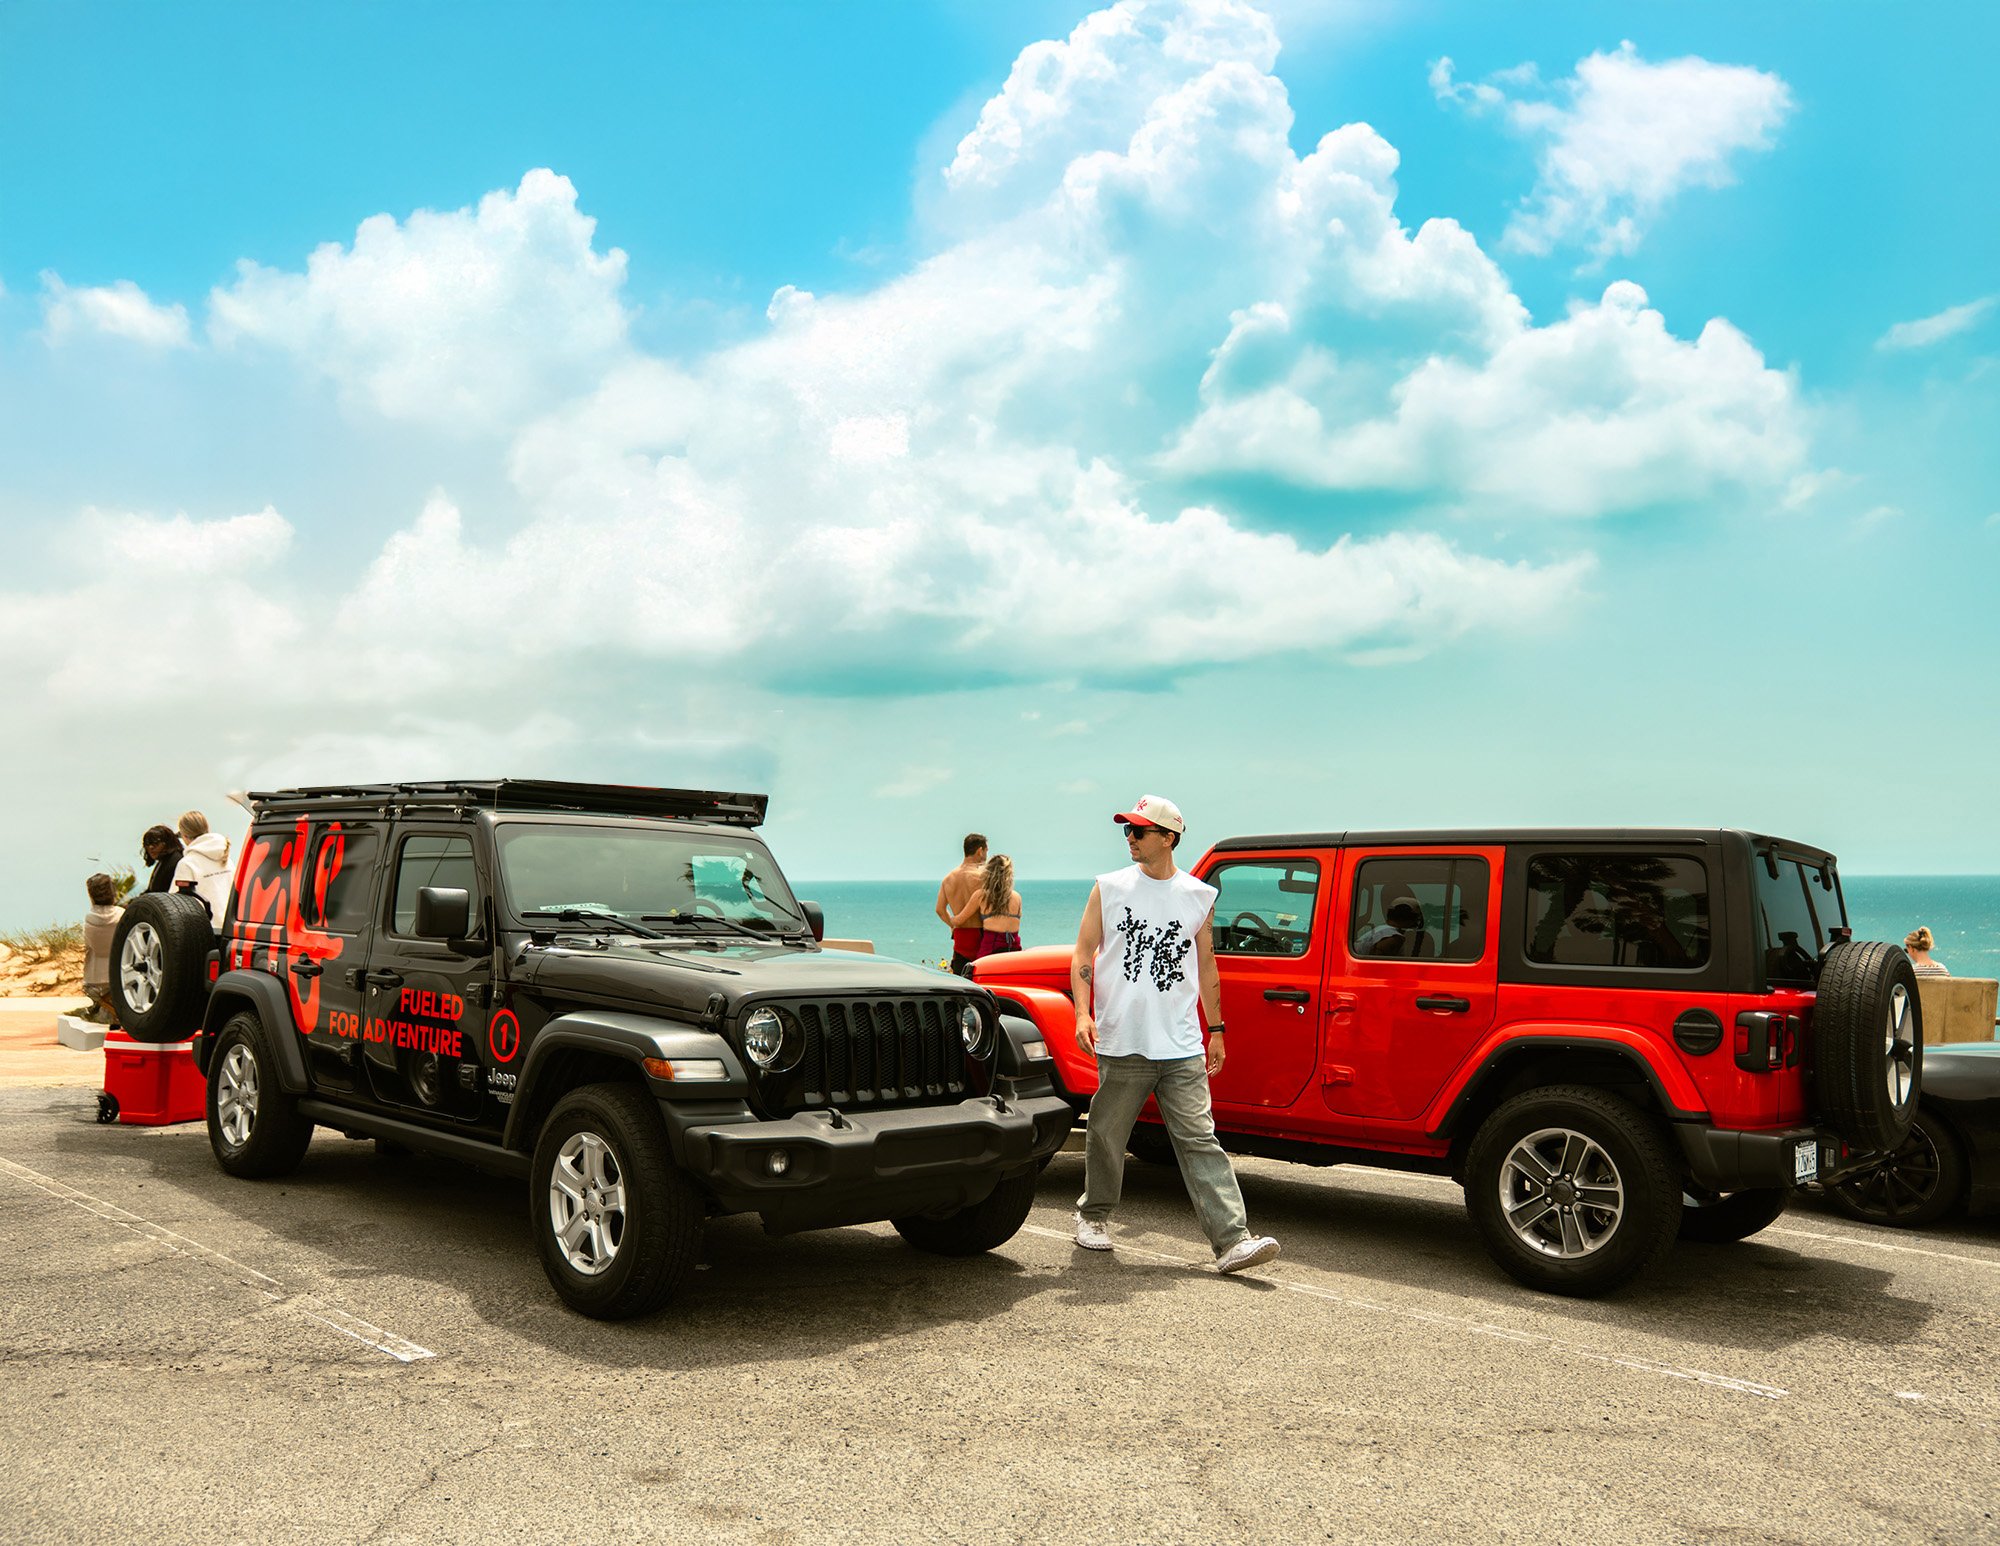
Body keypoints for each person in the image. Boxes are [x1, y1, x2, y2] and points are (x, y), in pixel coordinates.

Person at [1070, 794, 1280, 1275]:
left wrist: (1218, 1030)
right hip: (1125, 1039)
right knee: (1106, 1134)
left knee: (1200, 1140)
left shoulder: (1198, 896)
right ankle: (1093, 1216)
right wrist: (1083, 1013)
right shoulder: (1109, 887)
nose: (1130, 838)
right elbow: (1084, 953)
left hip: (1181, 1044)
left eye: (1139, 831)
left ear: (1168, 837)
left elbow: (1207, 966)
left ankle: (1232, 1242)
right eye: (1126, 830)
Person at [949, 853, 1023, 964]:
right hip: (1014, 950)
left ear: (988, 873)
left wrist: (946, 915)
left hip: (991, 950)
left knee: (978, 979)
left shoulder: (981, 895)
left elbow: (959, 920)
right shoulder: (1017, 897)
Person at [936, 833, 988, 976]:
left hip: (960, 935)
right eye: (986, 851)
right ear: (980, 850)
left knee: (960, 979)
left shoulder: (948, 878)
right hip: (980, 935)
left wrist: (952, 924)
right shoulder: (982, 877)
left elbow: (940, 910)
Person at [171, 810, 232, 926]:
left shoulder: (187, 864)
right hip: (230, 925)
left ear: (184, 835)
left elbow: (173, 905)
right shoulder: (226, 856)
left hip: (205, 930)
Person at [78, 872, 124, 1025]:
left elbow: (88, 945)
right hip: (120, 974)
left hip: (94, 978)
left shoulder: (89, 919)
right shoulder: (122, 915)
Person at [140, 824, 182, 893]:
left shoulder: (175, 862)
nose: (151, 847)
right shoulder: (164, 861)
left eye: (155, 842)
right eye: (147, 843)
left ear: (166, 843)